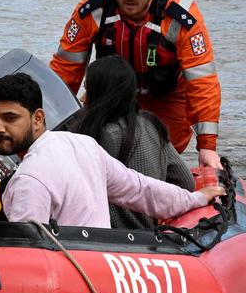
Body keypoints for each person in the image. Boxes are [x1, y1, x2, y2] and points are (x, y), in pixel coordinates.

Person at [49, 0, 222, 169]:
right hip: (109, 95)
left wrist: (207, 147)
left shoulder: (181, 17)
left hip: (166, 98)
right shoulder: (92, 10)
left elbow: (202, 82)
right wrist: (48, 127)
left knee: (152, 157)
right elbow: (65, 72)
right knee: (96, 147)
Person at [0, 73, 222, 229]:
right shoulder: (82, 145)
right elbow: (141, 190)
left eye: (9, 119)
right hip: (100, 267)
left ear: (38, 118)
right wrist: (196, 198)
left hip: (68, 286)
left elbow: (24, 255)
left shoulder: (28, 180)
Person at [72, 56, 196, 230]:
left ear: (102, 93)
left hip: (114, 238)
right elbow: (186, 182)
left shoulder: (106, 134)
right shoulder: (152, 124)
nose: (83, 98)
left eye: (88, 89)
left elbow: (79, 191)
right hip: (151, 235)